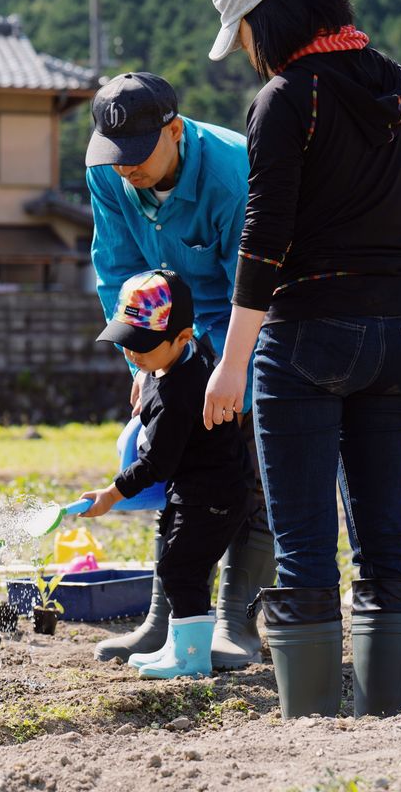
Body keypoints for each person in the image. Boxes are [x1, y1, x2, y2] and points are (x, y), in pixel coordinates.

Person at [203, 0, 401, 718]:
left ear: (269, 17)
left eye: (244, 31)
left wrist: (232, 363)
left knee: (304, 549)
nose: (246, 48)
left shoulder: (285, 97)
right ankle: (386, 715)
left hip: (308, 335)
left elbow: (264, 239)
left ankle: (311, 726)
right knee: (385, 538)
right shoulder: (394, 83)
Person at [85, 71, 274, 670]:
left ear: (174, 131)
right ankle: (163, 623)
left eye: (138, 153)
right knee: (177, 472)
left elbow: (255, 286)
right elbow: (117, 268)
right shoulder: (108, 172)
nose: (126, 167)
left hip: (249, 324)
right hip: (171, 336)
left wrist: (233, 376)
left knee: (246, 471)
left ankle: (236, 623)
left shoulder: (233, 175)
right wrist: (145, 363)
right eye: (115, 154)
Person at [79, 270, 248, 678]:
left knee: (181, 569)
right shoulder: (174, 362)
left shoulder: (178, 395)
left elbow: (156, 463)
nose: (132, 353)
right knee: (175, 564)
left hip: (212, 495)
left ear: (182, 337)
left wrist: (111, 494)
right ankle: (176, 647)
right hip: (194, 489)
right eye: (126, 342)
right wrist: (144, 371)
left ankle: (191, 658)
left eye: (143, 345)